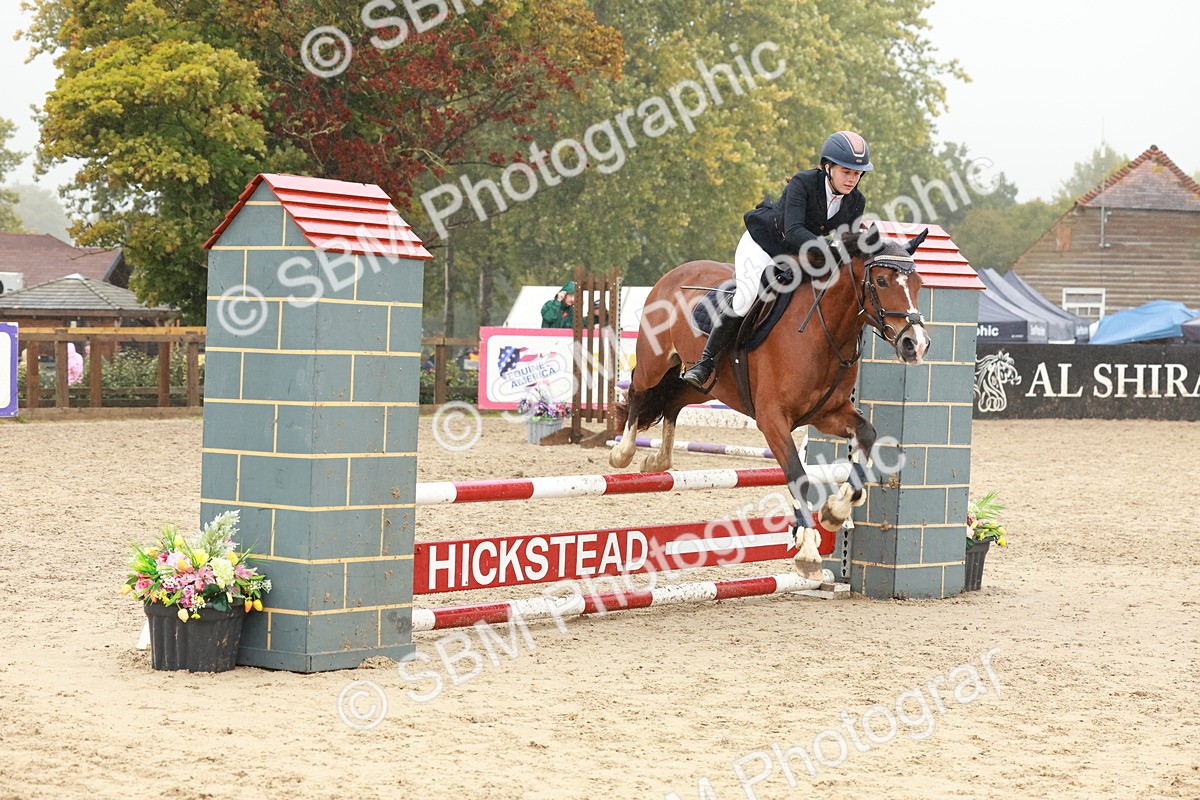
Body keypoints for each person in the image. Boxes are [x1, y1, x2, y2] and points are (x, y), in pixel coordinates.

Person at [681, 130, 872, 390]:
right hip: (763, 244)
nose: (852, 179)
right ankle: (705, 364)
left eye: (857, 174)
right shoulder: (803, 183)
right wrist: (831, 247)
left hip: (800, 253)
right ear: (827, 167)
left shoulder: (856, 201)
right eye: (846, 172)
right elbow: (793, 231)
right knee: (747, 297)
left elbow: (844, 243)